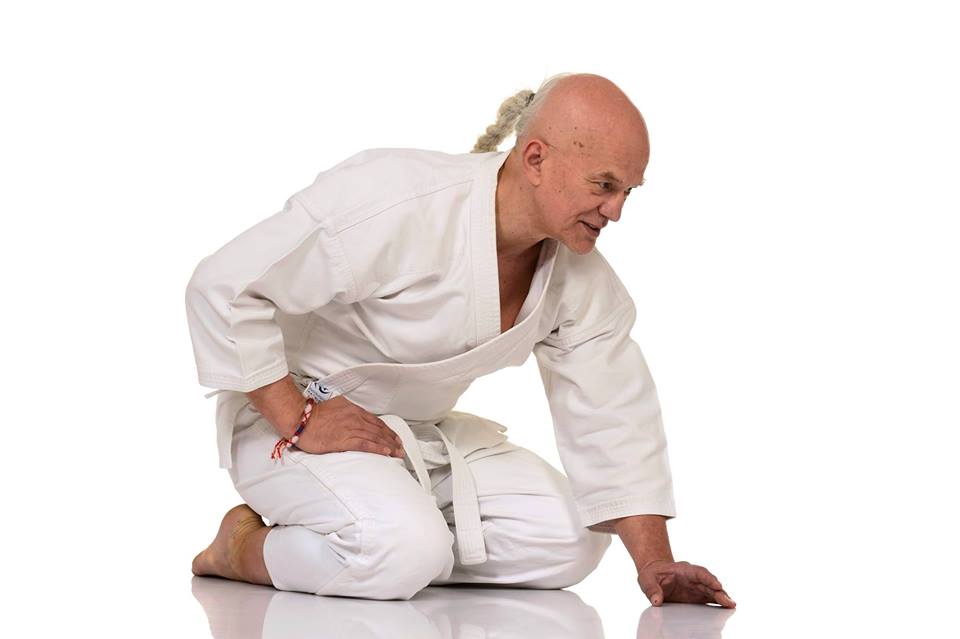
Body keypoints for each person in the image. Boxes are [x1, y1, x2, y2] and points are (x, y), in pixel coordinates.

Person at [185, 72, 736, 608]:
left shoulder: (579, 279)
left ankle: (389, 540)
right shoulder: (398, 197)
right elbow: (224, 286)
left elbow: (612, 412)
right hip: (292, 419)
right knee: (401, 549)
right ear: (536, 159)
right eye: (604, 185)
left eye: (628, 192)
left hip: (415, 437)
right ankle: (245, 549)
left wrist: (654, 562)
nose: (616, 211)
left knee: (574, 540)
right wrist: (298, 417)